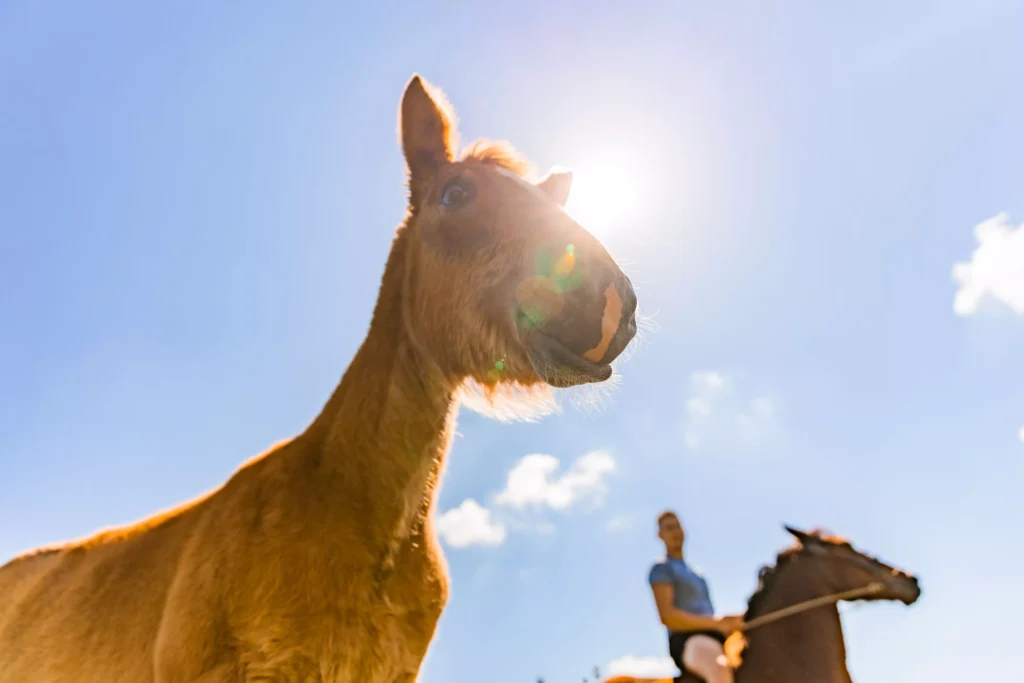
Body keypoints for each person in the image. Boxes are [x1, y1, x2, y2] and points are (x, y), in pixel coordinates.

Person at [648, 511, 743, 683]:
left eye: (677, 526)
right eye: (669, 528)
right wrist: (718, 623)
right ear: (660, 535)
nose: (675, 532)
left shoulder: (697, 574)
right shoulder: (661, 568)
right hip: (688, 640)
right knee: (719, 668)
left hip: (717, 637)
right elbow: (667, 616)